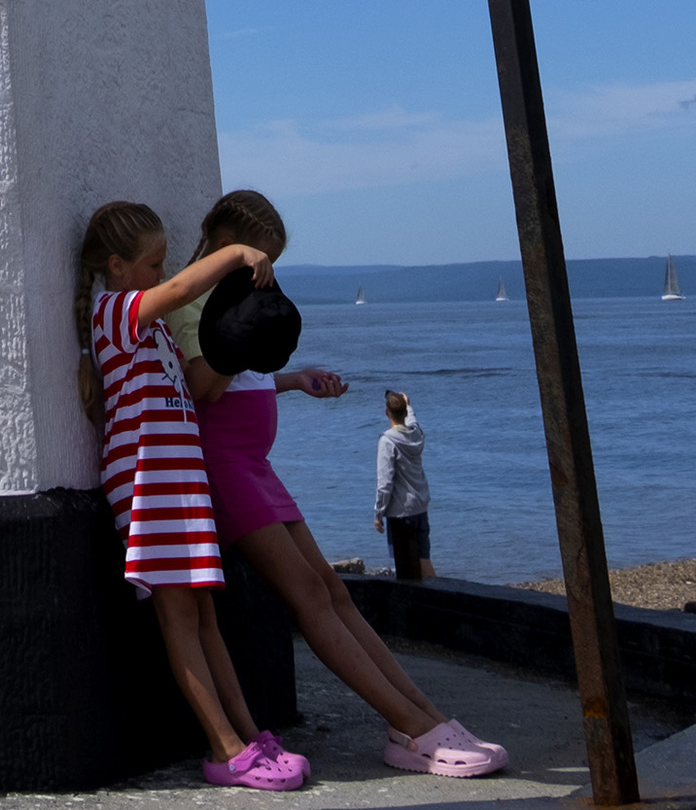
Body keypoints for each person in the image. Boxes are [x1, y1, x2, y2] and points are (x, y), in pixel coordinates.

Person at [175, 191, 503, 778]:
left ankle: (420, 714)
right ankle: (412, 728)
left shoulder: (226, 299)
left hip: (256, 465)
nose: (260, 272)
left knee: (334, 588)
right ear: (224, 245)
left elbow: (244, 378)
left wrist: (293, 378)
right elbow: (202, 388)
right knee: (306, 593)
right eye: (253, 258)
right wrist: (240, 335)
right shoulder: (191, 300)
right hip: (224, 469)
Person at [76, 197, 309, 788]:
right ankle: (224, 747)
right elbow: (180, 290)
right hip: (149, 490)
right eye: (152, 264)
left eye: (162, 264)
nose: (162, 273)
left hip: (180, 487)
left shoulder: (147, 327)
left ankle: (248, 734)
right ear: (117, 267)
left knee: (205, 617)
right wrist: (234, 253)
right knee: (180, 618)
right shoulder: (115, 310)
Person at [376, 391, 434, 580]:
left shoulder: (388, 441)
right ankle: (438, 597)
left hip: (401, 512)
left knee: (405, 566)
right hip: (420, 505)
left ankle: (413, 604)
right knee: (424, 559)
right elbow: (413, 421)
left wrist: (378, 513)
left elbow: (385, 482)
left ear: (387, 412)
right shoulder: (416, 434)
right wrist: (408, 405)